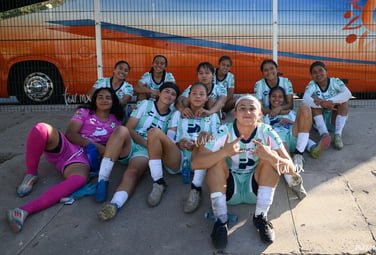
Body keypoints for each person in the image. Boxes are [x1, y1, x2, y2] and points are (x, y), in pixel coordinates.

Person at [191, 95, 302, 249]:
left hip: (255, 189)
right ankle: (221, 221)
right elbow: (196, 164)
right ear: (235, 114)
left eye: (252, 108)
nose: (247, 112)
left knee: (271, 160)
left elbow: (290, 168)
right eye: (242, 108)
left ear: (259, 114)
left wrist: (271, 157)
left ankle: (260, 217)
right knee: (215, 161)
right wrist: (223, 153)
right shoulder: (224, 131)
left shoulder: (267, 131)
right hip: (229, 188)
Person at [6, 88, 124, 233]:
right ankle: (31, 174)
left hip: (83, 160)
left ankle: (23, 211)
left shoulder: (116, 120)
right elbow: (70, 134)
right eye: (100, 97)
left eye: (108, 97)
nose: (104, 100)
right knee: (41, 129)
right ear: (94, 100)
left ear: (113, 102)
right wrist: (97, 146)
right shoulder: (84, 112)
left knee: (79, 180)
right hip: (68, 146)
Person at [95, 82, 179, 221]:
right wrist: (146, 142)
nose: (169, 95)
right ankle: (102, 180)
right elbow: (129, 127)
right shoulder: (145, 104)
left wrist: (150, 146)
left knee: (133, 172)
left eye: (173, 94)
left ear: (175, 99)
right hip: (132, 142)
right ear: (159, 93)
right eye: (167, 91)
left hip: (147, 152)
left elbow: (168, 141)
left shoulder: (174, 115)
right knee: (121, 130)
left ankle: (115, 205)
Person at [146, 82, 220, 212]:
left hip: (200, 158)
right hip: (178, 158)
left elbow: (217, 143)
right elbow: (169, 137)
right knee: (154, 132)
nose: (197, 96)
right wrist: (177, 144)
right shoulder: (177, 114)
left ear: (206, 98)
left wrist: (198, 144)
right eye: (194, 93)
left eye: (201, 94)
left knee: (205, 135)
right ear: (189, 96)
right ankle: (158, 182)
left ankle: (196, 187)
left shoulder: (213, 116)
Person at [262, 86, 331, 199]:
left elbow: (303, 125)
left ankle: (300, 153)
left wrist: (289, 121)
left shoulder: (291, 113)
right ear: (269, 98)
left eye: (280, 97)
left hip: (294, 135)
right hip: (280, 139)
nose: (277, 99)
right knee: (283, 151)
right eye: (274, 96)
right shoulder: (265, 117)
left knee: (305, 108)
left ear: (283, 99)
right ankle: (293, 180)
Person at [302, 61, 352, 150]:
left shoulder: (335, 81)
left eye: (320, 70)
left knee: (344, 102)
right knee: (313, 104)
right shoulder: (312, 84)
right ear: (312, 75)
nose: (318, 74)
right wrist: (322, 104)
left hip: (334, 119)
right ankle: (324, 135)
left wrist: (330, 101)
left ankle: (338, 135)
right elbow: (305, 99)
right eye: (314, 72)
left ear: (326, 71)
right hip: (320, 121)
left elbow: (347, 94)